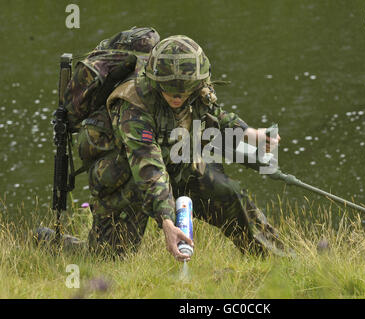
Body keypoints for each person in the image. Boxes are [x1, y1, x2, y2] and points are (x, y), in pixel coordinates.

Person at [68, 35, 289, 260]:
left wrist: (250, 133)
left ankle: (278, 260)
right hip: (128, 178)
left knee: (229, 194)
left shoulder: (195, 85)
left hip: (176, 160)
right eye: (170, 90)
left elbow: (213, 114)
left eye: (184, 91)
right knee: (108, 259)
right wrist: (166, 220)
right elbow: (148, 166)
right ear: (155, 82)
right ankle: (52, 242)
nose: (177, 97)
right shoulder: (132, 106)